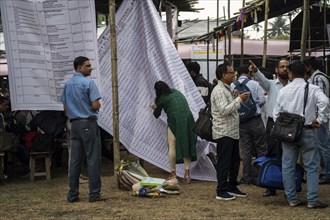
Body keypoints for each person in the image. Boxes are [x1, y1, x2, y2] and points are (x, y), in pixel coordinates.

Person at [273, 61, 328, 208]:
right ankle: (312, 200)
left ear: (290, 74)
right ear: (305, 73)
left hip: (288, 132)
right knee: (311, 166)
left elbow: (276, 113)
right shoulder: (313, 88)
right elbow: (325, 102)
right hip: (308, 129)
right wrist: (321, 119)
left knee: (288, 165)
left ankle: (292, 199)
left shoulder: (283, 91)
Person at [60, 56, 105, 203]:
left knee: (74, 160)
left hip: (73, 125)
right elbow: (95, 105)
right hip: (88, 124)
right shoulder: (88, 83)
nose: (90, 68)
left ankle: (72, 195)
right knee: (92, 159)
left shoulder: (67, 85)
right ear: (79, 67)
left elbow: (65, 109)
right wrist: (94, 105)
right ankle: (94, 194)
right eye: (87, 66)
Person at [249, 59, 290, 197]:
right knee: (271, 154)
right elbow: (261, 79)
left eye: (287, 67)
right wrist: (255, 70)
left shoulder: (293, 86)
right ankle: (271, 186)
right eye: (282, 67)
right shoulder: (271, 84)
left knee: (288, 155)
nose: (284, 69)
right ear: (276, 70)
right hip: (273, 124)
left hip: (290, 124)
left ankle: (288, 187)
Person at [211, 63, 249, 201]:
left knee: (234, 162)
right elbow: (224, 110)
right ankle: (221, 190)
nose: (234, 74)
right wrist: (239, 99)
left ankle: (232, 186)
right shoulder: (219, 90)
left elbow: (230, 107)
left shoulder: (227, 89)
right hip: (223, 132)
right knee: (224, 162)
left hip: (232, 131)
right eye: (231, 72)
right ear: (223, 75)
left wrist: (235, 98)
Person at [150, 81, 197, 184]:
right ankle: (187, 174)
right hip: (188, 119)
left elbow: (156, 114)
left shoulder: (161, 99)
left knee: (172, 146)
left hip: (174, 120)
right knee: (187, 144)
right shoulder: (176, 92)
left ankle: (173, 174)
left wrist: (154, 107)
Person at [233, 64, 267, 185]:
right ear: (249, 73)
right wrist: (254, 106)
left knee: (246, 150)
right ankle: (261, 175)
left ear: (237, 73)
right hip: (256, 120)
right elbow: (262, 100)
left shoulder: (233, 85)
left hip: (241, 122)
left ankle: (246, 177)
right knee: (261, 148)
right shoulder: (254, 84)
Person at [303, 57, 330, 185]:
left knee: (323, 146)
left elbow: (321, 101)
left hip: (321, 119)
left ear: (309, 67)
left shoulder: (318, 78)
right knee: (322, 145)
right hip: (321, 118)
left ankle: (326, 173)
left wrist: (319, 119)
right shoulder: (318, 76)